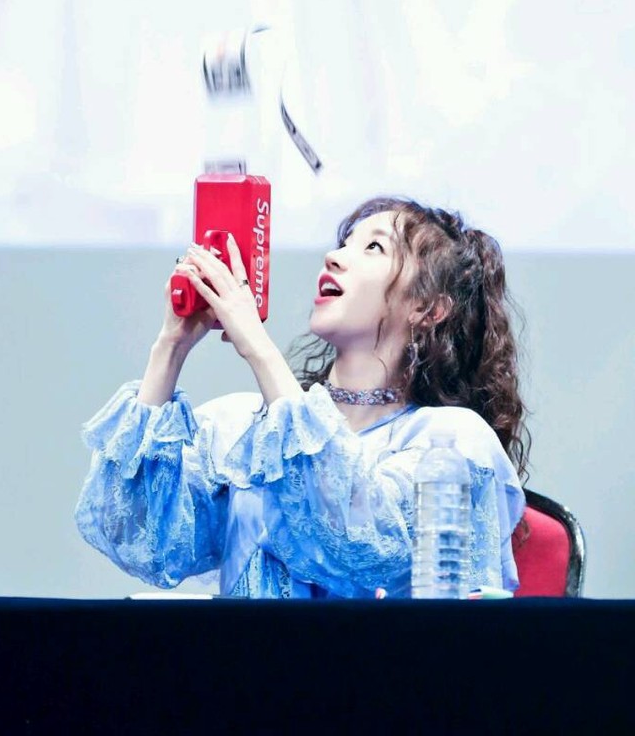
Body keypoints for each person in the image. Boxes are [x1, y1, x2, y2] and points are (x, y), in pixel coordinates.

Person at [75, 196, 529, 599]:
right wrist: (171, 346)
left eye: (373, 247)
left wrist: (257, 345)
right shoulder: (245, 430)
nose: (334, 257)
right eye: (344, 243)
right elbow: (136, 533)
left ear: (427, 308)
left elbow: (357, 545)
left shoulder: (449, 444)